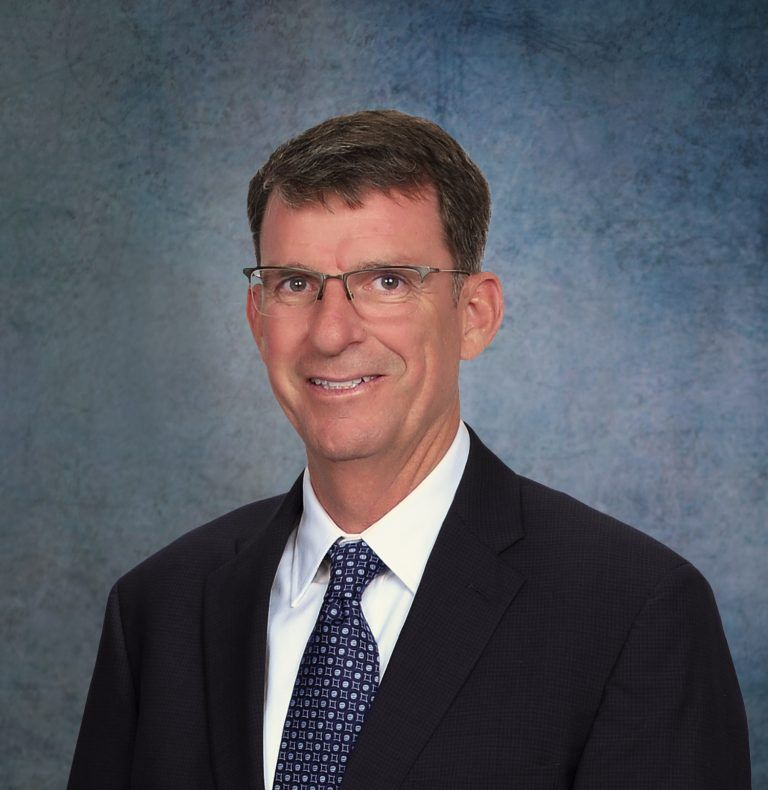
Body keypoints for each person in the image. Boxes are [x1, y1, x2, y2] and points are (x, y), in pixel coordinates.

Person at [68, 109, 751, 790]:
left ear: (474, 315)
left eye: (386, 281)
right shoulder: (158, 610)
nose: (332, 333)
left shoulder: (634, 613)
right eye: (296, 284)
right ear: (258, 317)